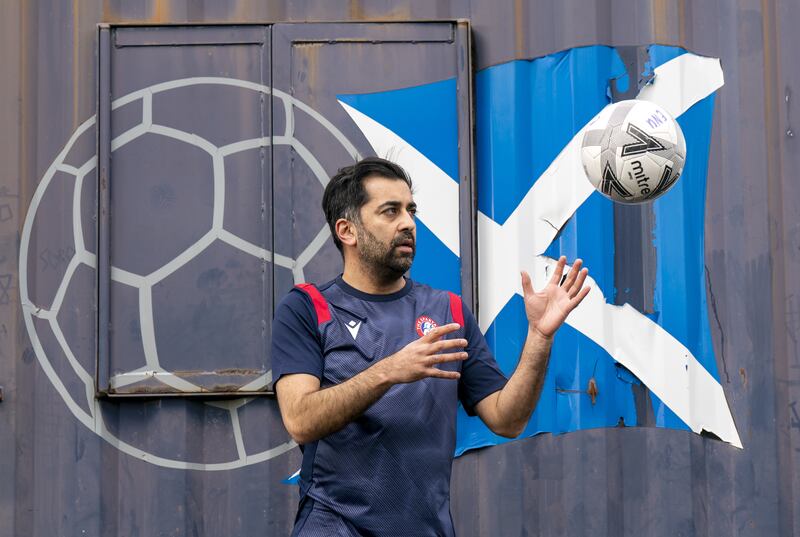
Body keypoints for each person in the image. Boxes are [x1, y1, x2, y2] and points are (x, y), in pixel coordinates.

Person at [272, 157, 590, 537]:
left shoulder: (448, 310)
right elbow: (300, 420)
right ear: (347, 231)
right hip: (333, 527)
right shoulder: (309, 307)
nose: (407, 223)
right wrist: (389, 370)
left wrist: (539, 337)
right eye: (390, 212)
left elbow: (508, 419)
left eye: (410, 210)